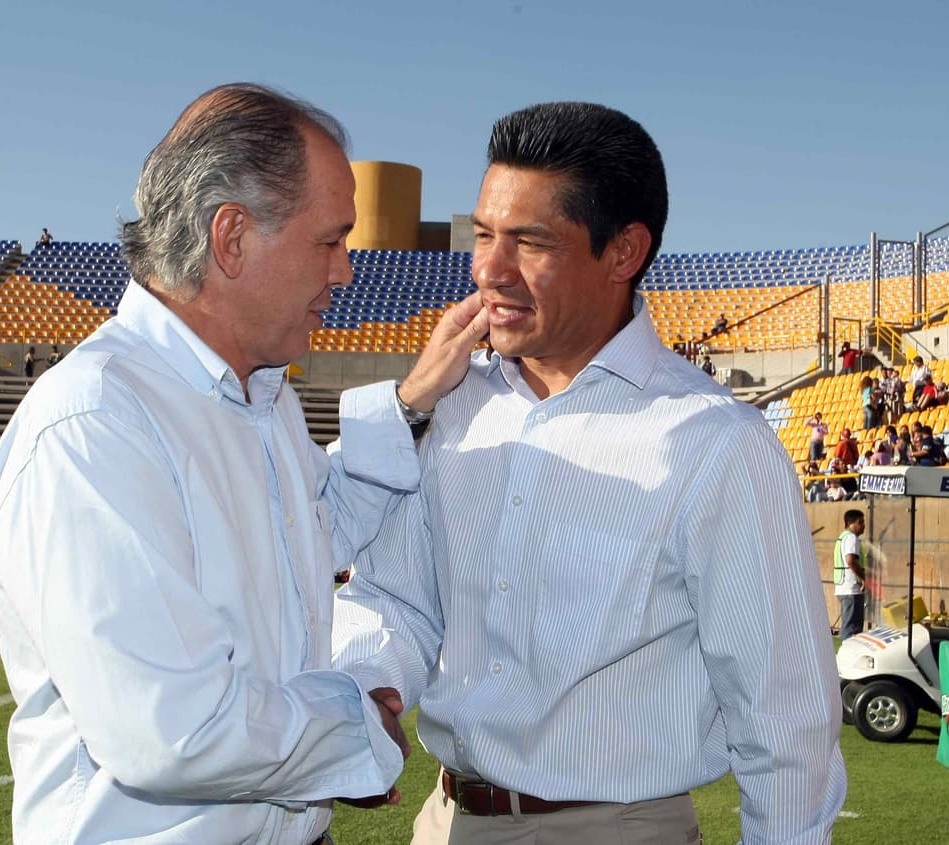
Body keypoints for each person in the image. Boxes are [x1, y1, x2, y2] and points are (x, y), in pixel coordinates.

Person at [0, 82, 488, 844]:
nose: (345, 271)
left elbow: (319, 524)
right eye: (329, 240)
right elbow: (173, 727)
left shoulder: (258, 394)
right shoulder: (94, 423)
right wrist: (357, 730)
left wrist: (411, 401)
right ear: (233, 238)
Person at [333, 101, 845, 844]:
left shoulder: (715, 442)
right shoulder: (453, 405)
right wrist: (372, 685)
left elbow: (784, 714)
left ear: (623, 251)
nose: (488, 269)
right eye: (482, 234)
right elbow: (397, 599)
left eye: (528, 241)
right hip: (445, 820)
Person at [834, 509, 867, 642]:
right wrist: (864, 578)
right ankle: (846, 658)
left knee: (851, 627)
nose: (863, 525)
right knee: (852, 630)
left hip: (844, 587)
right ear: (851, 523)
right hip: (851, 589)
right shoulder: (851, 538)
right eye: (861, 522)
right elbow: (850, 561)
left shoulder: (842, 537)